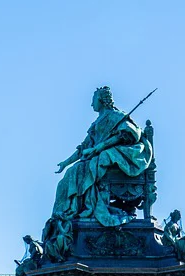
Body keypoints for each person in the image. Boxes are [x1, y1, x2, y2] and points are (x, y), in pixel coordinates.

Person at [52, 86, 153, 227]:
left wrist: (101, 146)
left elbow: (130, 134)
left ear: (101, 100)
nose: (91, 104)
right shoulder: (97, 123)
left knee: (93, 163)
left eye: (93, 100)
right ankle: (66, 213)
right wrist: (65, 163)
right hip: (96, 158)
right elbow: (83, 148)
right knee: (71, 173)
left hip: (118, 158)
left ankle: (83, 208)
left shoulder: (116, 116)